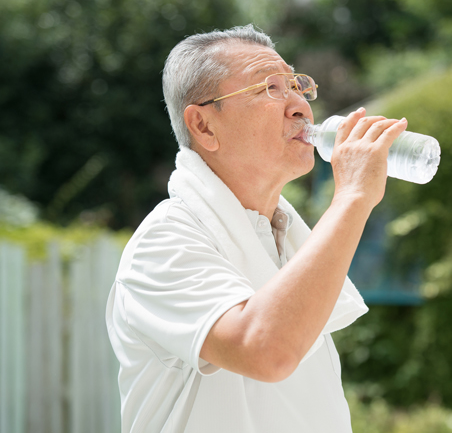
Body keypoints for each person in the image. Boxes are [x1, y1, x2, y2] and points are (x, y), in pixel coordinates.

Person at [105, 24, 407, 433]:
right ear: (204, 126)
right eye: (269, 88)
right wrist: (352, 197)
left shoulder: (284, 238)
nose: (300, 105)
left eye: (297, 85)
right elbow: (266, 350)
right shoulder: (165, 240)